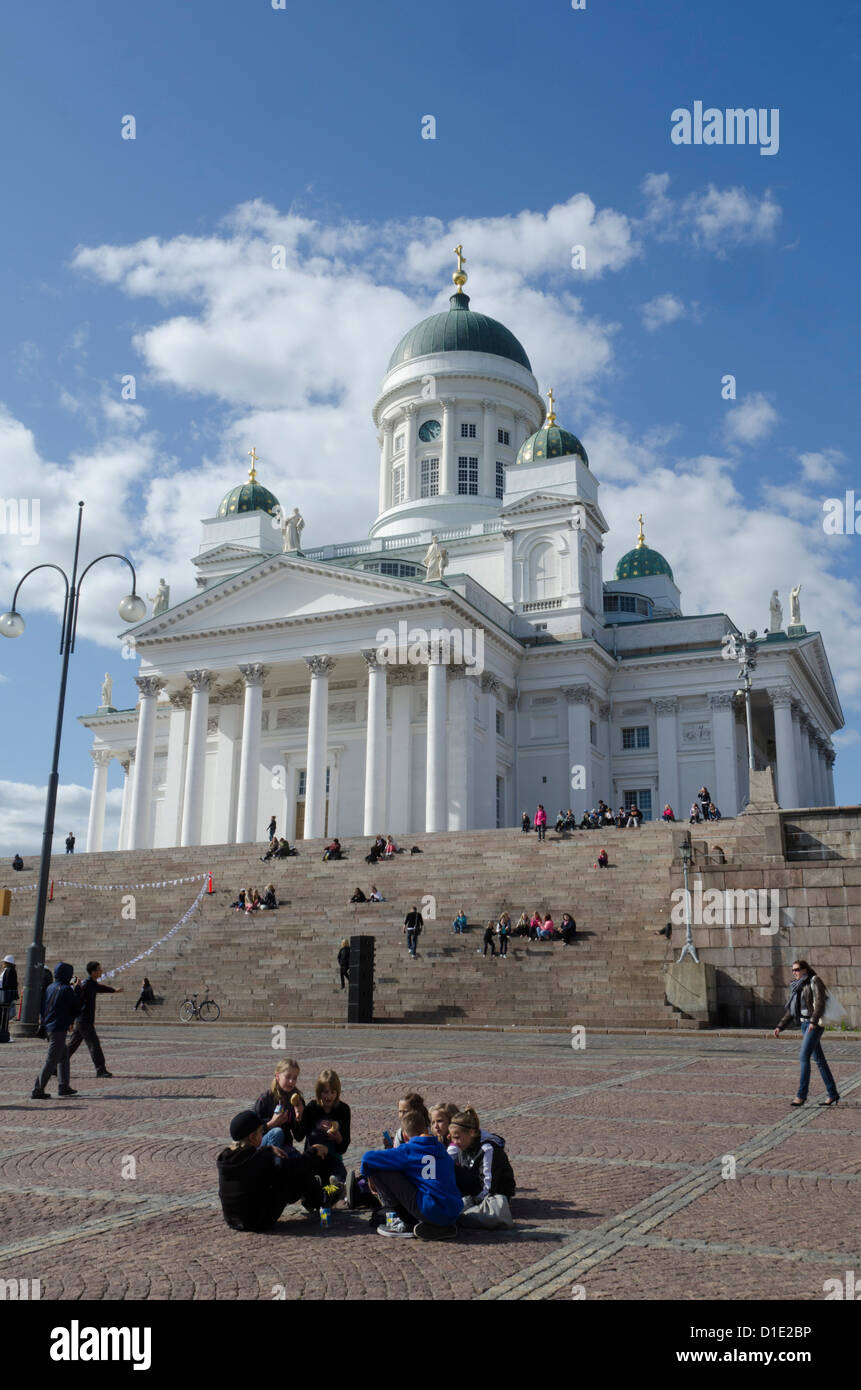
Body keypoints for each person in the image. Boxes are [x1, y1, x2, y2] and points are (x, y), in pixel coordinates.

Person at [360, 1107, 461, 1239]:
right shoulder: (442, 1149)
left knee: (380, 1168)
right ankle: (441, 1226)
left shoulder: (410, 1149)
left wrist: (368, 1176)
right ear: (426, 1128)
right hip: (453, 1210)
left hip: (429, 1208)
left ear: (405, 1136)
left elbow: (367, 1158)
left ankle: (408, 1222)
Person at [217, 1110, 326, 1232]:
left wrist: (267, 1149)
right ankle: (323, 1199)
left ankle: (313, 1196)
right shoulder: (260, 1160)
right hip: (259, 1221)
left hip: (233, 1219)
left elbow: (253, 1162)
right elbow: (291, 1167)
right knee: (297, 1173)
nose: (263, 1135)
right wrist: (313, 1152)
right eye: (260, 1132)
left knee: (284, 1173)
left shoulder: (225, 1157)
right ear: (252, 1137)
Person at [774, 959, 840, 1107]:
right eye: (793, 970)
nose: (794, 972)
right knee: (820, 1061)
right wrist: (780, 1026)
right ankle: (833, 1093)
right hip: (804, 1025)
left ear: (805, 969)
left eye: (797, 969)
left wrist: (813, 1021)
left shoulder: (814, 981)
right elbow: (792, 1011)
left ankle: (801, 1095)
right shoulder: (797, 986)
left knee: (803, 1056)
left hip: (813, 1025)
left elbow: (820, 1003)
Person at [448, 1107, 515, 1229]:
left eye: (457, 1137)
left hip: (492, 1195)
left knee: (458, 1212)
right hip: (473, 1191)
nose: (454, 1142)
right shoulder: (464, 1145)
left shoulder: (488, 1149)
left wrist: (469, 1201)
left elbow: (489, 1188)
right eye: (452, 1138)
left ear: (472, 1132)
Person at [31, 962, 84, 1099]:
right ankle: (38, 1089)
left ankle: (63, 1086)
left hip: (50, 1025)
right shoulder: (66, 989)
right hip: (58, 1028)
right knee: (52, 1059)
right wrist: (77, 989)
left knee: (64, 1055)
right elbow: (77, 1007)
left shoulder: (51, 987)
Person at [67, 961, 122, 1078]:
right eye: (99, 969)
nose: (101, 971)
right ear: (93, 972)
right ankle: (100, 1069)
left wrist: (114, 990)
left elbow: (101, 988)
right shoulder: (86, 985)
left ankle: (55, 1067)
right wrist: (71, 1020)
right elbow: (76, 1002)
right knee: (94, 1045)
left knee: (72, 1046)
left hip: (84, 1021)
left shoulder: (92, 983)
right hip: (84, 1021)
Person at [302, 1068, 351, 1182]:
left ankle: (329, 1193)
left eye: (332, 1092)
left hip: (334, 1158)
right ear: (319, 1092)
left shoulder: (343, 1109)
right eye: (325, 1092)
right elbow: (302, 1134)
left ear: (337, 1092)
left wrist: (338, 1137)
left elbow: (343, 1146)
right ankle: (319, 1192)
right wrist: (301, 1115)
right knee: (310, 1180)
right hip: (314, 1157)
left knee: (339, 1179)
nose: (328, 1096)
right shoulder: (312, 1108)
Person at [253, 1058, 307, 1149]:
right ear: (277, 1076)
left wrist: (299, 1117)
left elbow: (299, 1137)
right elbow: (251, 1133)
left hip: (285, 1146)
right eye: (288, 1077)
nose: (291, 1081)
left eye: (294, 1078)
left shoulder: (298, 1101)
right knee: (277, 1133)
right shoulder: (265, 1099)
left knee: (299, 1160)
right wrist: (271, 1123)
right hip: (262, 1146)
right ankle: (272, 1162)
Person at [0, 953, 18, 1043]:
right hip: (3, 995)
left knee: (5, 1015)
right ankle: (3, 1033)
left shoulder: (9, 971)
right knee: (4, 1015)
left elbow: (7, 984)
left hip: (5, 996)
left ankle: (4, 1034)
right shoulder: (8, 970)